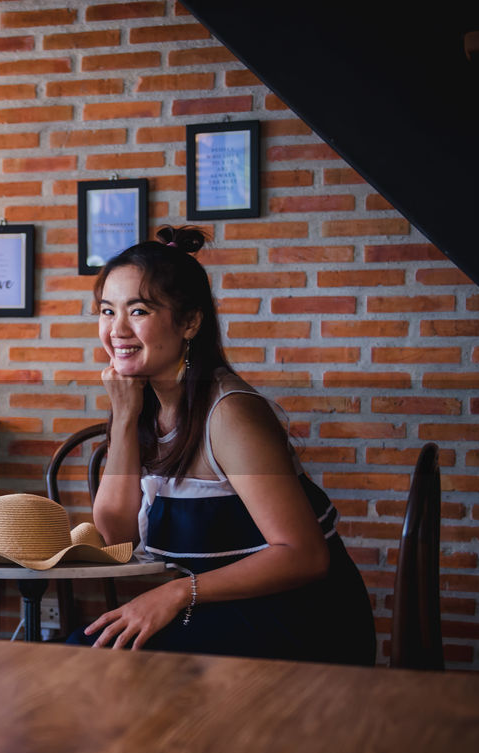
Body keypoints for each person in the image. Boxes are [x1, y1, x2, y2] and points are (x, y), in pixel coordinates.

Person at [79, 225, 376, 666]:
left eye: (138, 311)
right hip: (216, 610)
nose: (116, 329)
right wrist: (122, 418)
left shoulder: (230, 413)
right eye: (107, 311)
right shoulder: (141, 405)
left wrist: (176, 593)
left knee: (98, 663)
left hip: (300, 620)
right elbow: (115, 538)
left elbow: (305, 556)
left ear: (190, 322)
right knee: (81, 656)